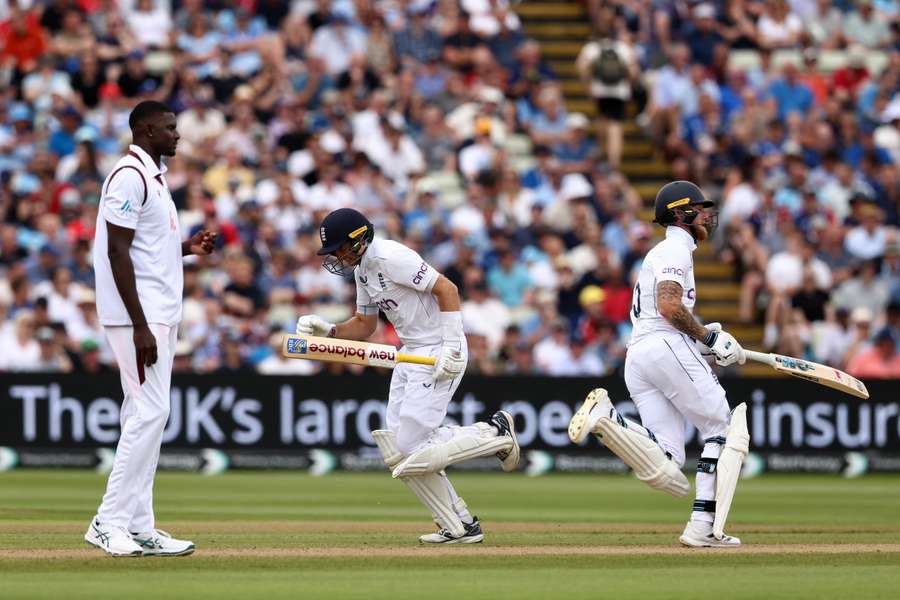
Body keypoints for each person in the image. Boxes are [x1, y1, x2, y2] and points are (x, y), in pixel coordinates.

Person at [296, 208, 519, 544]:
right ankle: (459, 525)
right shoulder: (363, 274)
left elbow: (448, 289)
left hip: (441, 345)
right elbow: (365, 325)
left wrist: (453, 348)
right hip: (411, 350)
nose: (338, 257)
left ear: (359, 239)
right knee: (399, 450)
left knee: (413, 445)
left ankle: (495, 433)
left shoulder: (390, 256)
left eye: (341, 248)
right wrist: (328, 330)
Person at [568, 181, 749, 548]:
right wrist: (708, 338)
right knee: (720, 426)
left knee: (668, 460)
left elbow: (663, 311)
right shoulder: (675, 249)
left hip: (640, 355)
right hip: (663, 345)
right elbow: (669, 307)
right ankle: (703, 528)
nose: (707, 216)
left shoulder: (666, 251)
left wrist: (706, 338)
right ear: (681, 214)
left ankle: (610, 420)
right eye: (699, 209)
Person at [85, 100, 216, 557]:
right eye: (169, 128)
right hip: (136, 317)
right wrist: (140, 325)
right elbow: (117, 254)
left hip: (159, 310)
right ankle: (108, 521)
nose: (178, 135)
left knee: (145, 416)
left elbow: (145, 247)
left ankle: (140, 525)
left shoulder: (154, 177)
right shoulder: (130, 176)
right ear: (145, 129)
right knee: (149, 414)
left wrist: (186, 248)